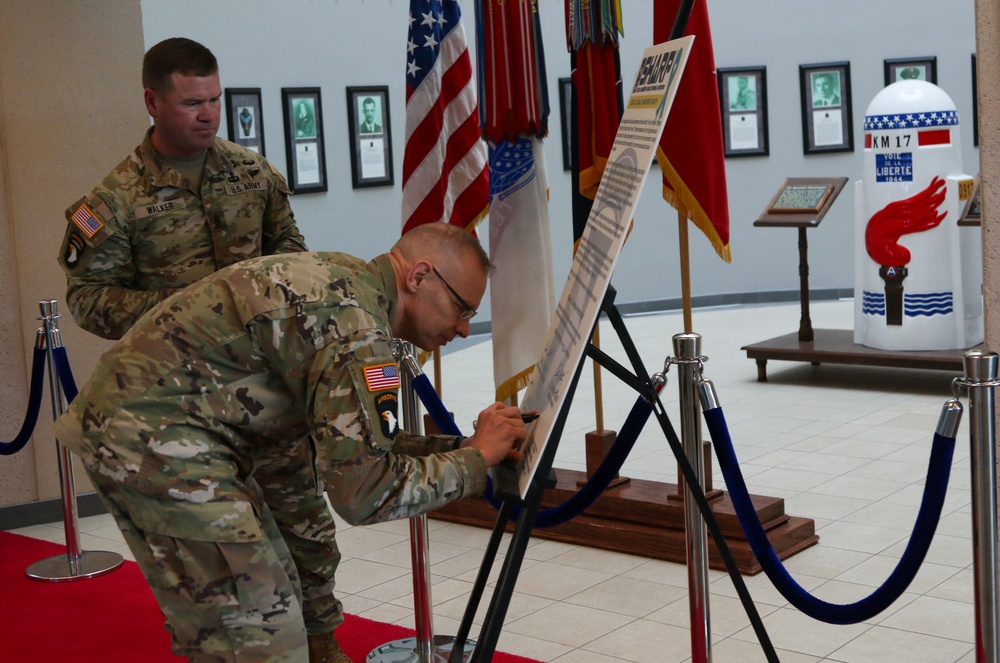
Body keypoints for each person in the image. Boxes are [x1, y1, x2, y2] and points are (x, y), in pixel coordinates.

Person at [53, 222, 527, 662]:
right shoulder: (355, 330)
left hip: (180, 432)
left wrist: (464, 446)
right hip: (150, 439)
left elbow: (362, 446)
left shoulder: (351, 287)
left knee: (272, 597)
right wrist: (474, 461)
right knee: (258, 632)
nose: (464, 327)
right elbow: (365, 495)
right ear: (420, 276)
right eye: (462, 308)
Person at [55, 37, 348, 662]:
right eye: (192, 103)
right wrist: (182, 311)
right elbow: (88, 299)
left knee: (306, 529)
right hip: (179, 410)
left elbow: (293, 261)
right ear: (152, 102)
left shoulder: (252, 175)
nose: (208, 114)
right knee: (209, 555)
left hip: (267, 396)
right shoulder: (115, 204)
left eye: (215, 99)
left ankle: (324, 646)